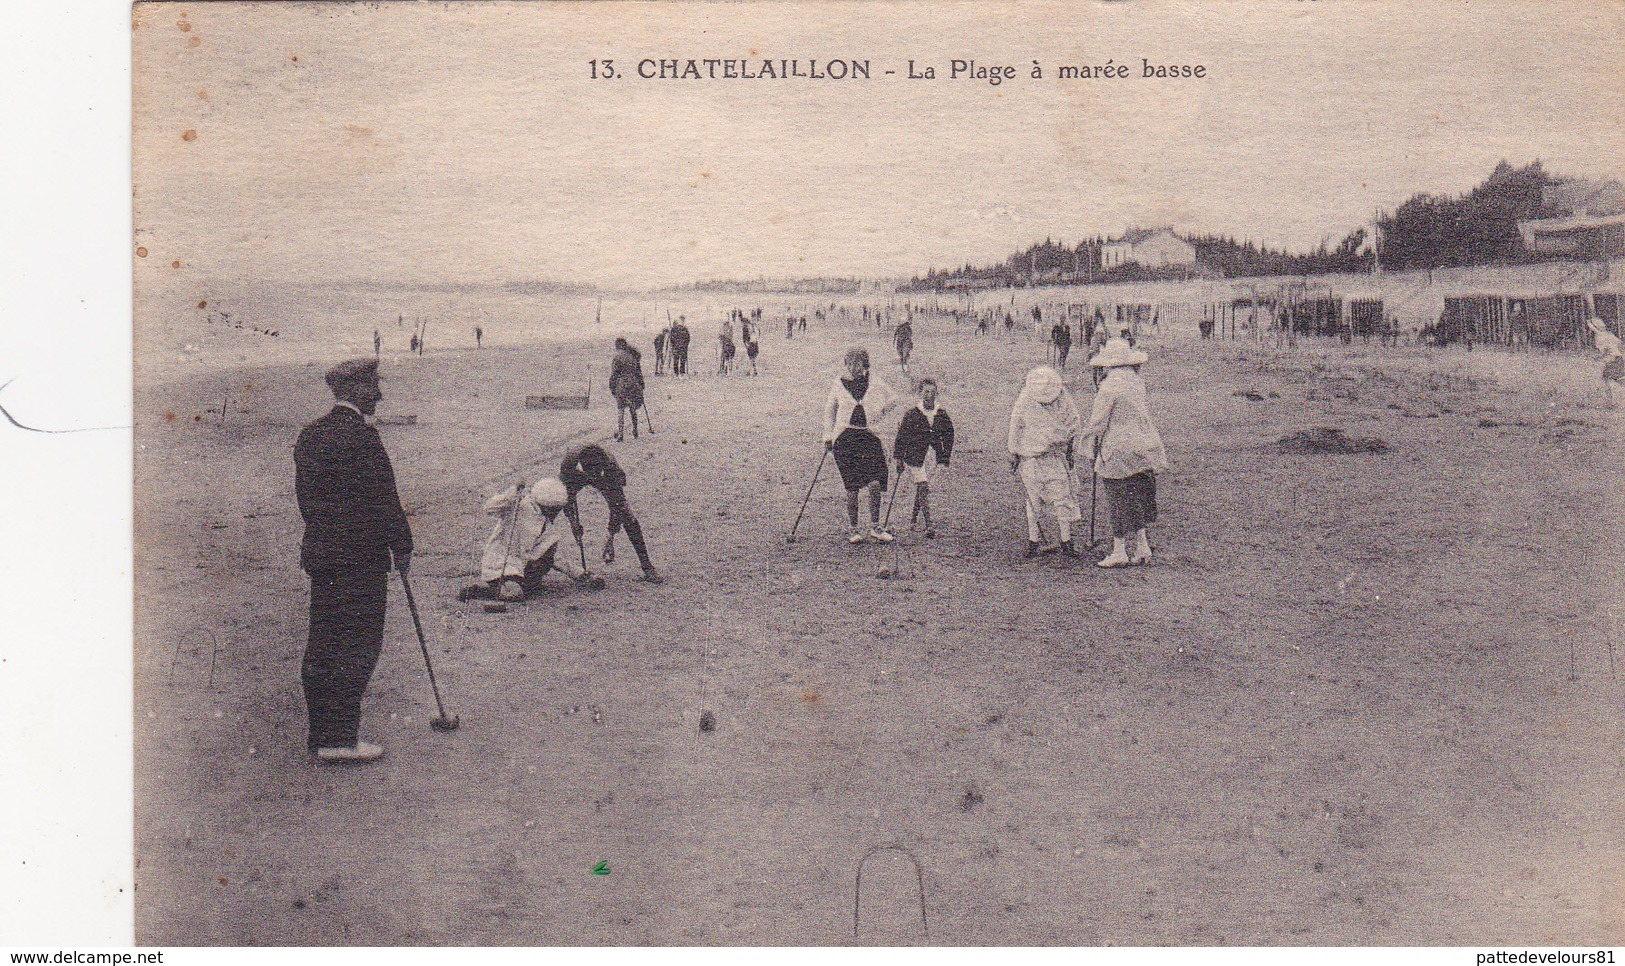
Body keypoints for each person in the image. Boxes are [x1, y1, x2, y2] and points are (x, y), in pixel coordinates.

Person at [294, 359, 412, 763]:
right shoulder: (364, 438)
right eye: (374, 386)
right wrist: (402, 547)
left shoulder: (310, 436)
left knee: (323, 644)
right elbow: (385, 500)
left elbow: (307, 504)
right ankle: (341, 740)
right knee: (359, 645)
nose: (379, 394)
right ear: (358, 390)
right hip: (361, 560)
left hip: (324, 556)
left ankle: (321, 736)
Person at [1081, 339, 1170, 568]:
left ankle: (1119, 549)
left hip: (1118, 447)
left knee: (1117, 496)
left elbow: (1098, 422)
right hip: (1143, 443)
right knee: (1138, 494)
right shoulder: (1137, 383)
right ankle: (1142, 546)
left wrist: (1089, 445)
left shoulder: (1108, 387)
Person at [457, 478, 603, 601]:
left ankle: (522, 585)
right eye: (556, 509)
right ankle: (478, 592)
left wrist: (580, 574)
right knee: (515, 594)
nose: (557, 513)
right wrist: (511, 493)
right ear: (547, 505)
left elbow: (553, 557)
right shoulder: (518, 506)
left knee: (537, 574)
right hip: (501, 564)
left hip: (523, 566)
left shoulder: (548, 527)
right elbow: (490, 508)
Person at [824, 348, 898, 545]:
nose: (853, 368)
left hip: (868, 435)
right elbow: (830, 409)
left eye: (857, 363)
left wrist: (878, 415)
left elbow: (893, 399)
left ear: (865, 365)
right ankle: (854, 529)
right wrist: (827, 435)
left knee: (875, 483)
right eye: (849, 364)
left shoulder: (874, 381)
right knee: (852, 488)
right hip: (845, 438)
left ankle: (875, 527)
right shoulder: (839, 384)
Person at [560, 443, 664, 583]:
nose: (594, 478)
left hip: (606, 477)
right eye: (591, 474)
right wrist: (574, 524)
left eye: (597, 473)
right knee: (554, 502)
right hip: (576, 476)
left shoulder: (611, 468)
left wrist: (610, 536)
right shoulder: (569, 466)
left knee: (627, 516)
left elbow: (617, 507)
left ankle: (647, 567)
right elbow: (567, 499)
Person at [1007, 366, 1082, 559]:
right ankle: (1034, 541)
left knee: (1061, 498)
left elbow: (1074, 423)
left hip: (1055, 457)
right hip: (1030, 458)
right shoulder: (1025, 399)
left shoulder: (1062, 397)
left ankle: (1066, 541)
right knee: (1033, 500)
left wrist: (1071, 450)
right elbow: (1015, 425)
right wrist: (1013, 452)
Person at [892, 377, 955, 538]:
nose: (929, 395)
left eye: (933, 392)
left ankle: (913, 519)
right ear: (920, 393)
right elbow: (901, 437)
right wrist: (899, 458)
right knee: (923, 486)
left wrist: (945, 455)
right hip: (914, 457)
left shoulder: (941, 414)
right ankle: (928, 525)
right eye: (926, 392)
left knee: (923, 488)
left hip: (932, 457)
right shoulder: (912, 414)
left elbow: (949, 435)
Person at [610, 337, 646, 441]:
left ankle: (621, 434)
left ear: (618, 346)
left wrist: (612, 387)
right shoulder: (633, 357)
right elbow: (639, 373)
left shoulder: (617, 358)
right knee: (632, 408)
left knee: (621, 409)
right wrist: (641, 385)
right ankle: (635, 430)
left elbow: (614, 375)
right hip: (634, 384)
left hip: (622, 384)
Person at [1588, 317, 1623, 409]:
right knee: (1613, 381)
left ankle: (1609, 404)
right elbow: (1619, 343)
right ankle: (1609, 403)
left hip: (1612, 361)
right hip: (1618, 359)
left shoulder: (1599, 337)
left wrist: (1599, 358)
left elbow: (1605, 351)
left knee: (1607, 381)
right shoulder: (1608, 334)